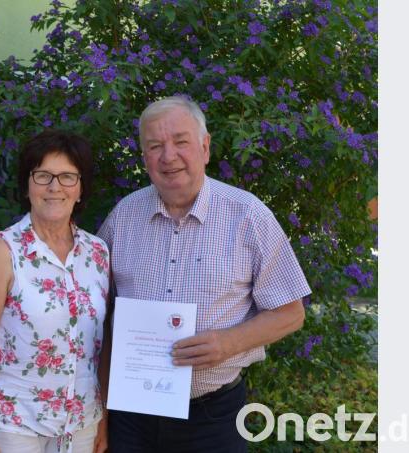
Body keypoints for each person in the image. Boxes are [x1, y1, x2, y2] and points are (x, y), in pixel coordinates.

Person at [97, 96, 311, 452]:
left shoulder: (249, 217)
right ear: (144, 156)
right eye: (155, 146)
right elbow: (98, 311)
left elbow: (291, 313)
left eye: (180, 141)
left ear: (205, 147)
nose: (169, 156)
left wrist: (228, 343)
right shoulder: (123, 217)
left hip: (212, 417)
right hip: (131, 416)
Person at [0, 130, 110, 453]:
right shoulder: (2, 252)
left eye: (67, 176)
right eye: (43, 176)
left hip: (81, 426)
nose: (55, 187)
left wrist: (103, 418)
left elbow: (100, 347)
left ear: (81, 188)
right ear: (27, 186)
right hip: (14, 428)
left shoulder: (98, 254)